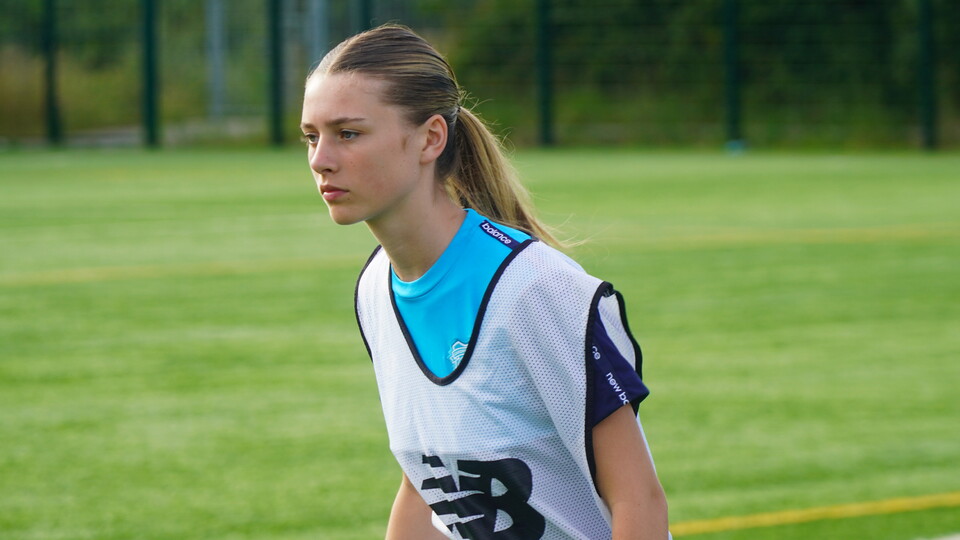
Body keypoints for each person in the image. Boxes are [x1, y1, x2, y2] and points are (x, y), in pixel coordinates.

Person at [300, 24, 669, 540]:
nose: (321, 160)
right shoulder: (375, 289)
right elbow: (427, 483)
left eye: (349, 134)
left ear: (430, 138)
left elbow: (638, 499)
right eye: (312, 137)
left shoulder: (536, 289)